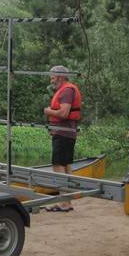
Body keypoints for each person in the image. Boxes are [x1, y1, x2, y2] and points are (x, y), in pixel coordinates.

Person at [43, 65, 82, 211]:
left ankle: (63, 202)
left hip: (63, 133)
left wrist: (49, 111)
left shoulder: (66, 90)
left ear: (60, 76)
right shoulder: (66, 89)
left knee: (58, 165)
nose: (51, 79)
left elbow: (64, 113)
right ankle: (67, 201)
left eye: (52, 76)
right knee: (65, 165)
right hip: (65, 133)